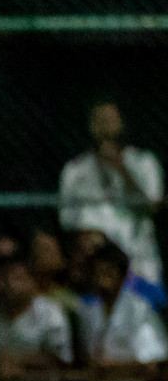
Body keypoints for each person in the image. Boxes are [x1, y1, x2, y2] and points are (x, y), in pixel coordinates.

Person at [59, 101, 163, 292]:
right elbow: (67, 221)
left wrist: (120, 167)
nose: (104, 125)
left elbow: (151, 207)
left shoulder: (144, 162)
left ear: (122, 122)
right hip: (95, 271)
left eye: (109, 119)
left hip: (140, 266)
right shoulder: (74, 170)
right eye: (98, 120)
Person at [77, 241, 168, 381]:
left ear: (122, 275)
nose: (102, 280)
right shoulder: (89, 311)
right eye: (97, 273)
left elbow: (154, 364)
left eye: (108, 273)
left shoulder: (139, 309)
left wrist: (114, 368)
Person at [0, 255, 72, 381]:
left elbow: (62, 361)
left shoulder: (50, 313)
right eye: (7, 278)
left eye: (18, 278)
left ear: (33, 281)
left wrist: (18, 365)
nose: (11, 285)